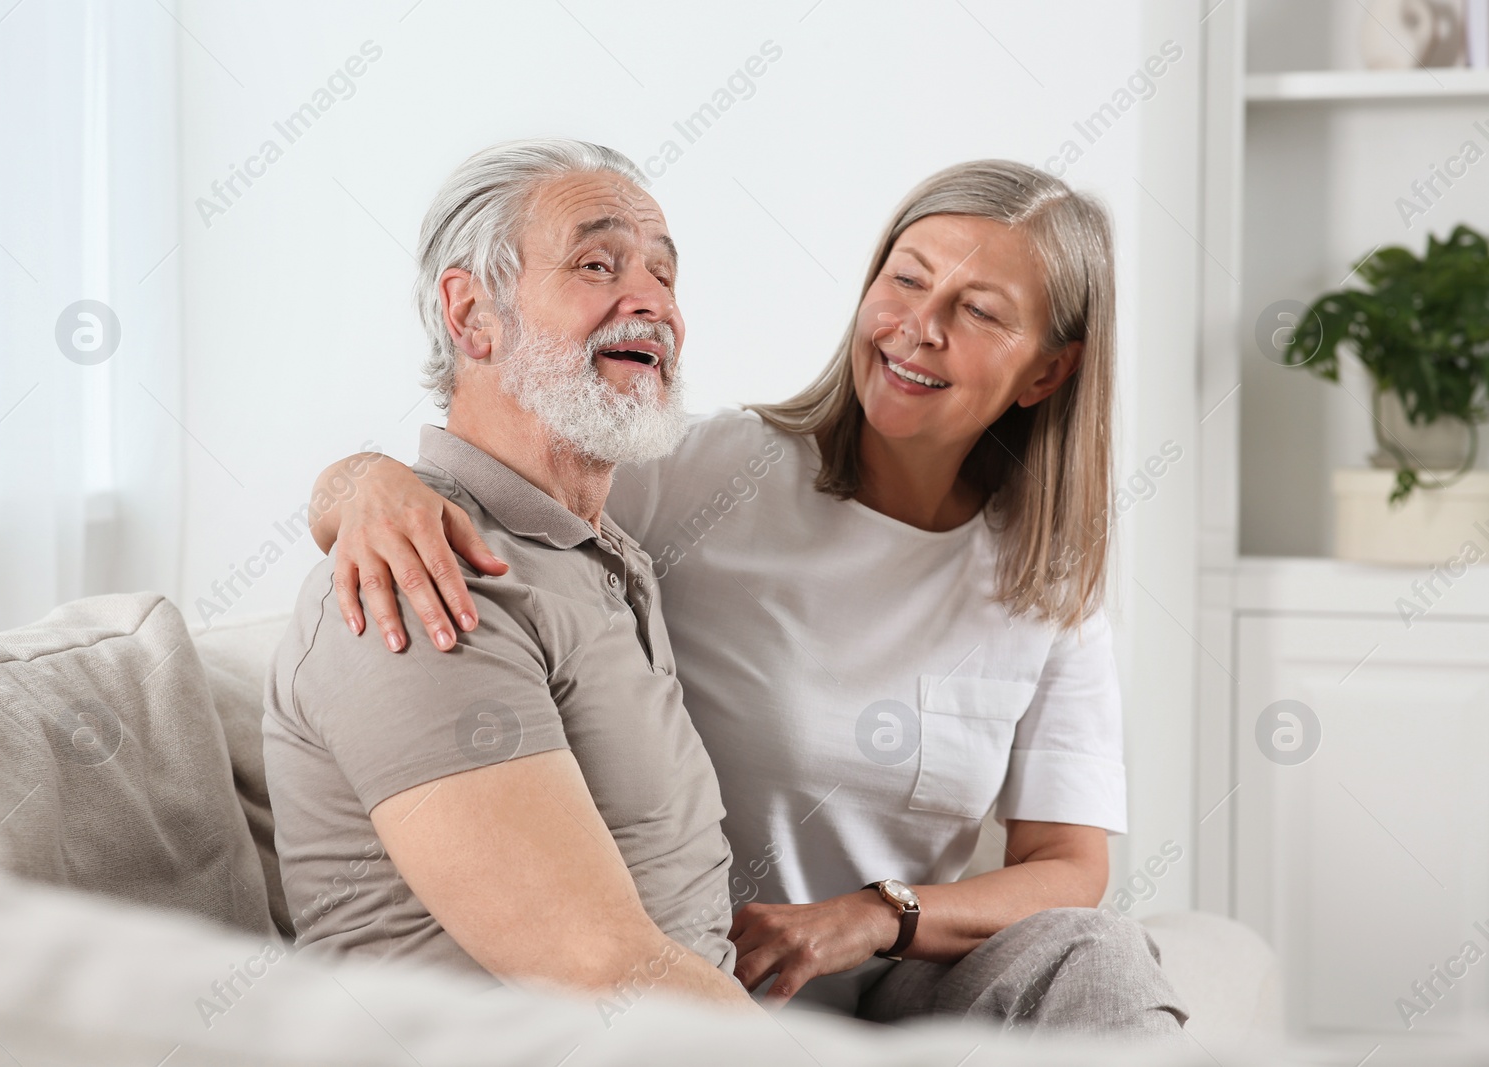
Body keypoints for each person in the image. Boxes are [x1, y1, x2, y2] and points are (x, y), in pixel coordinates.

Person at [310, 156, 1190, 1036]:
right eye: (906, 281)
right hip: (703, 998)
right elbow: (515, 482)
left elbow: (1070, 865)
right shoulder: (713, 474)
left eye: (979, 311)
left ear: (1046, 373)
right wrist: (364, 481)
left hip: (879, 994)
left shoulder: (1047, 583)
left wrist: (876, 915)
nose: (919, 327)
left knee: (1101, 957)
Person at [262, 139, 757, 1016]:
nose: (650, 303)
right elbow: (600, 972)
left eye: (665, 277)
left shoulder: (598, 551)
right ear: (472, 315)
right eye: (597, 264)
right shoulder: (416, 577)